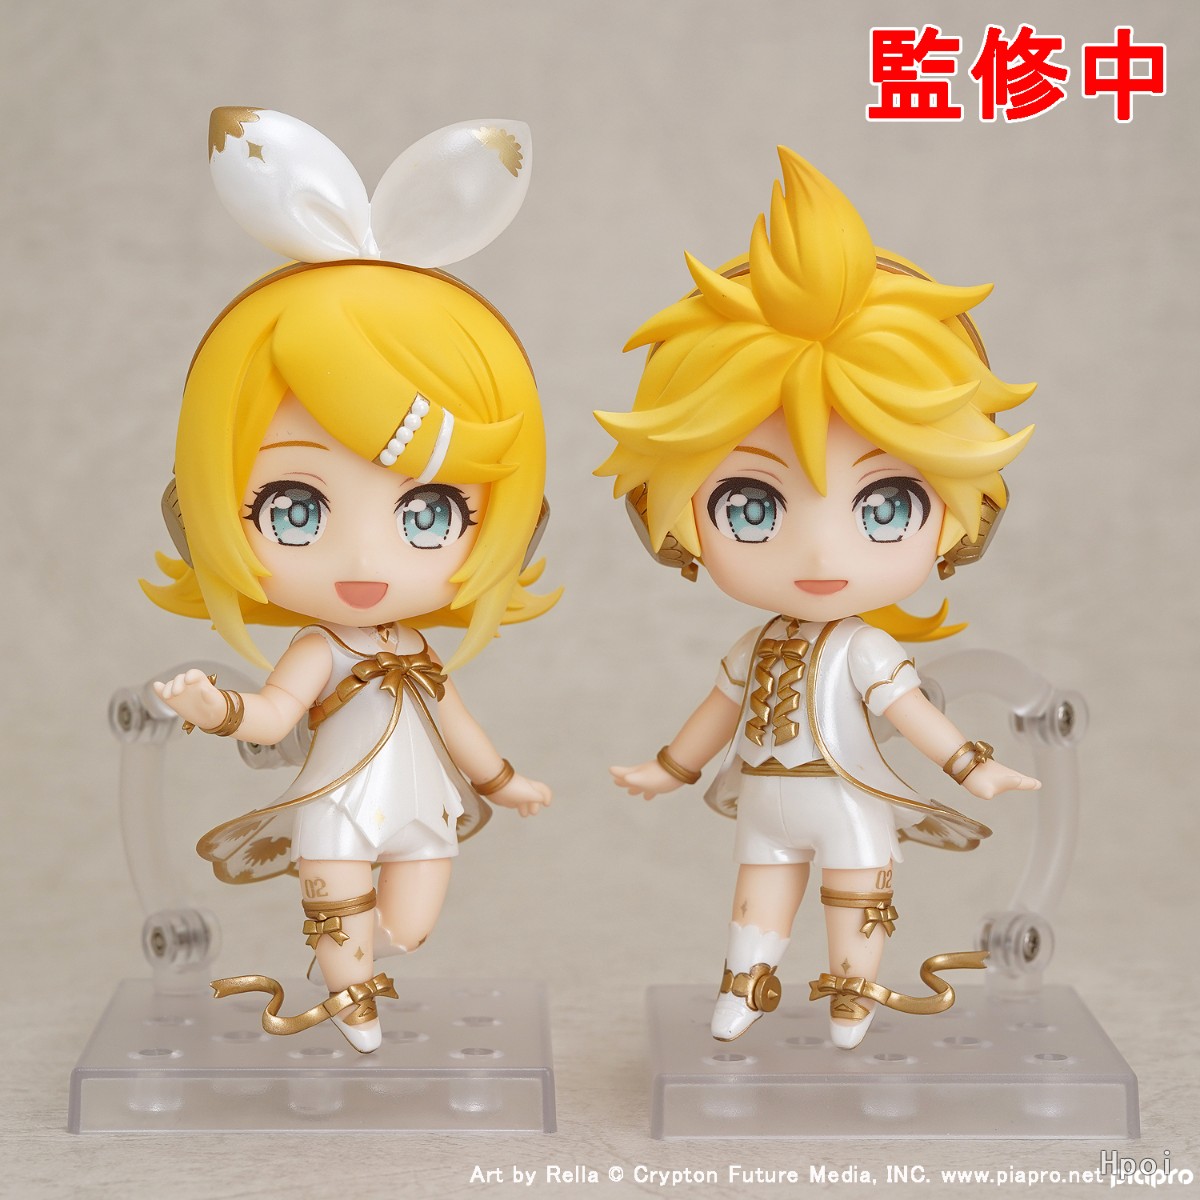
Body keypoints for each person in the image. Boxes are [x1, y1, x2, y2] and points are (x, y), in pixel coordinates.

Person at [596, 149, 1038, 1049]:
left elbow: (913, 716)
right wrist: (670, 769)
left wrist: (972, 767)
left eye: (885, 506)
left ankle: (850, 996)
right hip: (763, 797)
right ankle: (742, 988)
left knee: (856, 893)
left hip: (848, 799)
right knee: (756, 898)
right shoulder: (754, 645)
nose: (823, 552)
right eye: (752, 507)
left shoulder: (866, 651)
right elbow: (717, 711)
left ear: (957, 514)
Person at [146, 109, 554, 1052]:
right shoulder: (318, 647)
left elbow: (458, 725)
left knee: (412, 916)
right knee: (338, 903)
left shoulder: (414, 647)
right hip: (335, 800)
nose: (367, 562)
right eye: (295, 509)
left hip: (422, 801)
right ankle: (351, 999)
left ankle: (367, 969)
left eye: (427, 515)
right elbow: (274, 719)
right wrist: (216, 710)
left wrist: (505, 781)